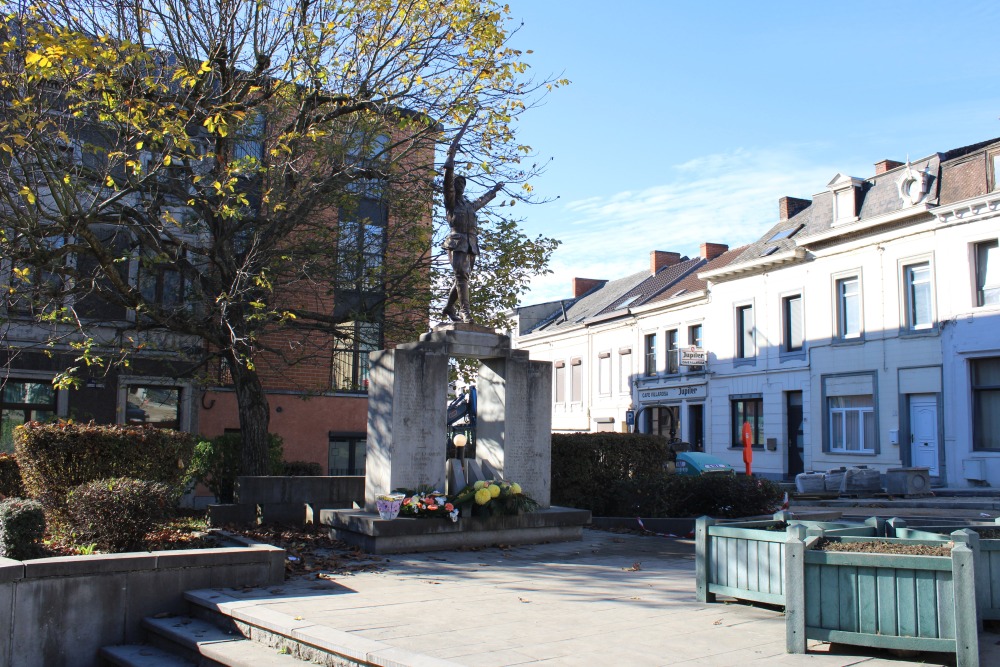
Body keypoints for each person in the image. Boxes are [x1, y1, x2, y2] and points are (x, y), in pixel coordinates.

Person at [441, 135, 503, 323]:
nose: (460, 185)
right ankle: (464, 311)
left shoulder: (468, 205)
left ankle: (449, 306)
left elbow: (481, 202)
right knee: (461, 275)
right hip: (457, 241)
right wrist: (450, 159)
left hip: (471, 244)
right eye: (458, 183)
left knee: (463, 277)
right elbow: (447, 181)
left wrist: (493, 191)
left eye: (463, 184)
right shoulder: (451, 202)